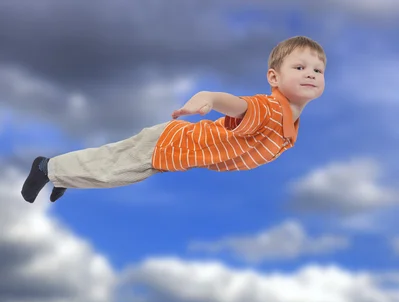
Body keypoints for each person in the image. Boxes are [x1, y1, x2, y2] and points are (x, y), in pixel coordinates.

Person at [21, 36, 326, 204]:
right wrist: (211, 97)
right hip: (167, 146)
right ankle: (45, 168)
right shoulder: (271, 110)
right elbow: (239, 107)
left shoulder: (290, 127)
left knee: (111, 171)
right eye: (300, 67)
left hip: (174, 154)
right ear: (274, 76)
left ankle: (61, 175)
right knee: (110, 170)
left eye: (317, 70)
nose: (311, 73)